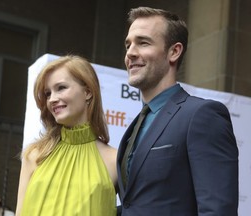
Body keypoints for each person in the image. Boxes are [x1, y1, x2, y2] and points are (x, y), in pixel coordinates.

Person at [117, 7, 238, 216]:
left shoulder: (202, 115)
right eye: (128, 45)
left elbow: (218, 210)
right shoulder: (137, 124)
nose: (130, 53)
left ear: (174, 51)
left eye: (143, 42)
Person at [15, 55, 118, 215]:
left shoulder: (115, 160)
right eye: (48, 93)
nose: (52, 99)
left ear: (88, 92)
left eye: (61, 88)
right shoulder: (34, 155)